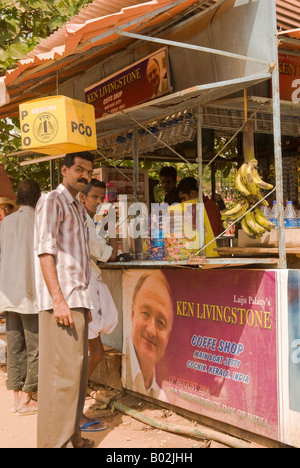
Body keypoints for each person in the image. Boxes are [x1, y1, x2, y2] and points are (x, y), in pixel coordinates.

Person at [34, 151, 95, 449]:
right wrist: (59, 301)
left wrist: (85, 303)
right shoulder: (52, 201)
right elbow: (46, 252)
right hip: (62, 303)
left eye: (88, 171)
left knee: (76, 377)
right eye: (79, 170)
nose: (84, 175)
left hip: (77, 300)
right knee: (61, 379)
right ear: (64, 170)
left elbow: (80, 261)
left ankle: (74, 439)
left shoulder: (78, 208)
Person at [78, 178, 118, 432]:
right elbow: (102, 251)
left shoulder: (86, 220)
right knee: (86, 357)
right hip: (85, 292)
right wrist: (112, 240)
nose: (97, 202)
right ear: (82, 197)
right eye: (93, 197)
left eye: (100, 198)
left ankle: (75, 406)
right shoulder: (82, 221)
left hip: (86, 289)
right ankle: (75, 410)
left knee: (96, 354)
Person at [0, 179, 41, 416]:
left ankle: (17, 397)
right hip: (31, 293)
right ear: (38, 198)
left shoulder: (7, 222)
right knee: (35, 347)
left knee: (14, 345)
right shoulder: (39, 221)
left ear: (18, 198)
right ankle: (27, 398)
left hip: (9, 294)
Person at [125, 271, 173, 402]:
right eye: (145, 313)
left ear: (168, 337)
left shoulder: (161, 397)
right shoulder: (122, 370)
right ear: (132, 313)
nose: (152, 331)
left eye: (161, 322)